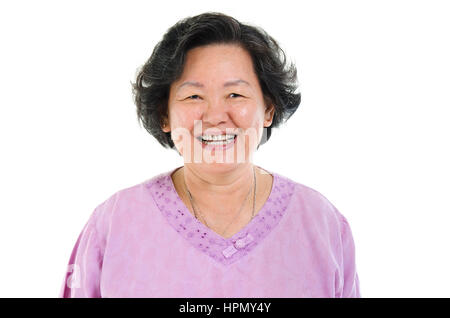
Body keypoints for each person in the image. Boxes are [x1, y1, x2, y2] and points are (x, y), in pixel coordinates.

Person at [59, 12, 361, 298]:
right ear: (164, 115)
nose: (216, 115)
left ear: (268, 108)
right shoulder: (113, 224)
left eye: (235, 95)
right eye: (193, 96)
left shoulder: (322, 224)